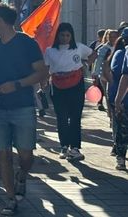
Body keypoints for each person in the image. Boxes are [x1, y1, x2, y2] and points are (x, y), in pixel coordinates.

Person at [0, 3, 48, 215]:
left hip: (23, 106)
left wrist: (17, 84)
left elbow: (41, 73)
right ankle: (10, 198)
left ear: (1, 20)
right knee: (3, 154)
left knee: (26, 155)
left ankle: (22, 175)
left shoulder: (27, 43)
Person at [43, 23, 95, 161]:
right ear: (57, 35)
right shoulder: (50, 51)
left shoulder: (79, 47)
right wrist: (42, 84)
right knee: (62, 118)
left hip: (76, 86)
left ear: (71, 36)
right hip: (57, 86)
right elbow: (45, 68)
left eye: (67, 35)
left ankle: (75, 147)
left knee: (75, 117)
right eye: (62, 35)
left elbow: (93, 54)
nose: (65, 38)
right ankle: (64, 146)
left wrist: (86, 64)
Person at [106, 30, 128, 169]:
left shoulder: (120, 53)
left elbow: (124, 77)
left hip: (124, 99)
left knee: (122, 129)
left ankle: (120, 158)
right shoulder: (123, 53)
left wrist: (118, 99)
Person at [93, 29, 119, 112]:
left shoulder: (119, 47)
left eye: (115, 37)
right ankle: (110, 114)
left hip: (116, 75)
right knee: (108, 95)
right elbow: (98, 61)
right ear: (107, 37)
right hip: (104, 75)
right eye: (111, 37)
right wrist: (95, 74)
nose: (113, 39)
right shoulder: (104, 48)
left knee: (116, 94)